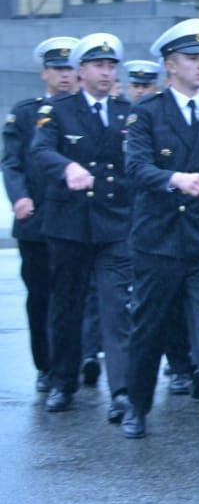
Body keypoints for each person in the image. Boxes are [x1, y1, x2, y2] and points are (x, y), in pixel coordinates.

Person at [119, 20, 199, 450]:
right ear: (170, 66)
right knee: (149, 328)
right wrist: (175, 178)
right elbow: (135, 169)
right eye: (192, 59)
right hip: (159, 241)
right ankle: (136, 406)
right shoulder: (147, 112)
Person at [31, 34, 133, 417]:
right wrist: (67, 167)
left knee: (116, 306)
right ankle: (63, 382)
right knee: (67, 307)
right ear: (80, 71)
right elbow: (40, 151)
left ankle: (122, 390)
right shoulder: (57, 111)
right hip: (69, 224)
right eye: (98, 66)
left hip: (114, 224)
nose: (106, 73)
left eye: (110, 66)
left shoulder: (127, 113)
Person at [4, 37, 78, 393]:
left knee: (78, 295)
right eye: (58, 69)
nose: (64, 76)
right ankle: (46, 366)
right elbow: (12, 162)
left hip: (78, 220)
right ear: (44, 73)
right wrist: (18, 198)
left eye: (69, 69)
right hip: (35, 221)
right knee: (41, 297)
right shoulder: (25, 113)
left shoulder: (87, 111)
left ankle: (78, 361)